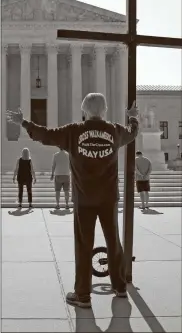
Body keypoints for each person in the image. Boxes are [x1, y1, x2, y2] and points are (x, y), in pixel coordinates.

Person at [7, 93, 139, 308]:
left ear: (84, 110)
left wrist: (23, 122)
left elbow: (45, 135)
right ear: (103, 110)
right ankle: (120, 286)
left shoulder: (73, 132)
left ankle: (83, 295)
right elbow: (133, 134)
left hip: (84, 197)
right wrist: (132, 117)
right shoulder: (115, 131)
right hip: (108, 197)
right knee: (114, 241)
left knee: (84, 245)